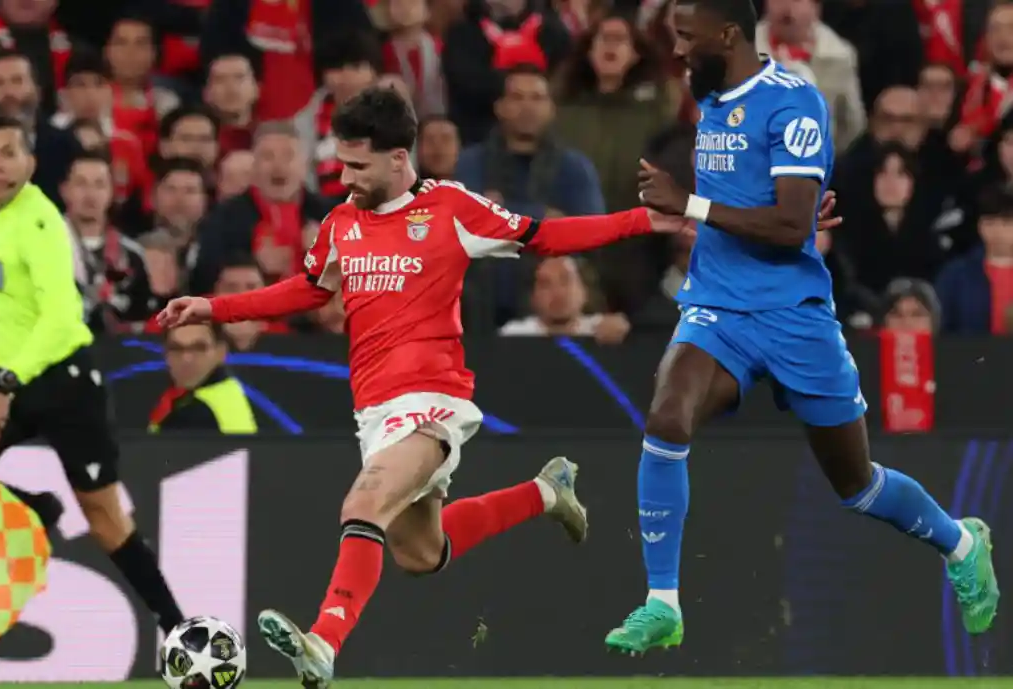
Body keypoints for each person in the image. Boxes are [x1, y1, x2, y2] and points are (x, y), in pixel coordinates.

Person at [158, 85, 693, 688]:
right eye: (340, 163)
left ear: (397, 157)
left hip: (432, 398)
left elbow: (545, 236)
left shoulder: (450, 209)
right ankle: (546, 492)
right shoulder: (340, 223)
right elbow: (308, 290)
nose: (345, 177)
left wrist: (639, 221)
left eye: (357, 165)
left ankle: (323, 643)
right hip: (374, 409)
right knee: (420, 553)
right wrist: (213, 307)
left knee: (363, 505)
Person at [603, 0, 999, 655]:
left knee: (857, 483)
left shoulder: (796, 100)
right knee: (667, 417)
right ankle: (662, 602)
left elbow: (789, 228)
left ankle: (961, 540)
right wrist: (787, 203)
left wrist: (694, 204)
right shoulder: (711, 97)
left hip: (794, 316)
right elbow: (777, 203)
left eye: (685, 36)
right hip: (718, 308)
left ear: (727, 33)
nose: (676, 50)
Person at [0, 115, 186, 636]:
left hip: (64, 379)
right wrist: (2, 379)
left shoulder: (42, 222)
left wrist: (3, 386)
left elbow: (60, 318)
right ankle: (32, 506)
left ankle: (176, 624)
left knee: (105, 520)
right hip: (8, 376)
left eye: (9, 153)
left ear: (30, 163)